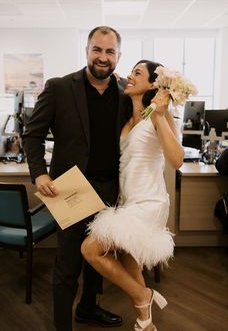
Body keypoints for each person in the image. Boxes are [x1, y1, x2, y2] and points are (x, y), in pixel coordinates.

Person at [23, 26, 127, 331]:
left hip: (110, 187)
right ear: (86, 51)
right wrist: (39, 172)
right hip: (72, 188)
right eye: (97, 49)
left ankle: (88, 307)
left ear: (118, 55)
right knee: (67, 264)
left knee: (99, 257)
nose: (103, 57)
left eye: (110, 51)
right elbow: (32, 134)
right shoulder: (59, 87)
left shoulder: (124, 93)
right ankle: (62, 325)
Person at [81, 60, 184, 331]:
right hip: (128, 201)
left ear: (153, 84)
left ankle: (143, 295)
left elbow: (176, 160)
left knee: (90, 249)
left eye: (137, 73)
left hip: (149, 202)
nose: (130, 76)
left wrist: (161, 116)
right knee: (128, 258)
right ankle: (145, 321)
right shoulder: (126, 116)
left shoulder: (159, 115)